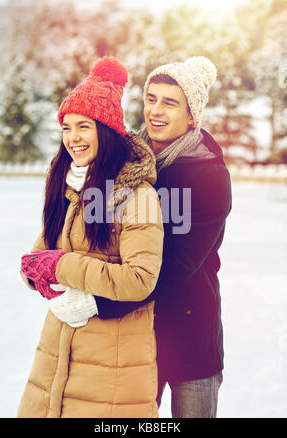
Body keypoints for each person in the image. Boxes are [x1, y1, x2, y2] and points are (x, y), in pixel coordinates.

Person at [17, 56, 164, 418]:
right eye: (66, 128)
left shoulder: (138, 195)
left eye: (83, 126)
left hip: (111, 365)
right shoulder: (68, 189)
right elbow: (39, 261)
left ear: (107, 131)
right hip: (56, 358)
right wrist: (35, 273)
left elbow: (140, 279)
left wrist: (63, 266)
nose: (73, 138)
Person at [91, 56, 232, 418]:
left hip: (190, 338)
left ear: (191, 116)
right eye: (151, 98)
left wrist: (98, 303)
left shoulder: (209, 177)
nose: (155, 110)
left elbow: (173, 267)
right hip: (134, 336)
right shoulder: (123, 163)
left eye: (170, 102)